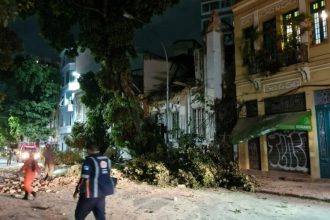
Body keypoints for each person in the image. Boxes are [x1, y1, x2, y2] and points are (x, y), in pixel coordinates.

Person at [73, 143, 115, 220]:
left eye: (87, 150)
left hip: (90, 194)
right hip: (102, 194)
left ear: (89, 150)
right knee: (100, 216)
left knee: (79, 215)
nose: (87, 152)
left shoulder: (89, 160)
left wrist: (77, 189)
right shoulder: (107, 160)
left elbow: (84, 178)